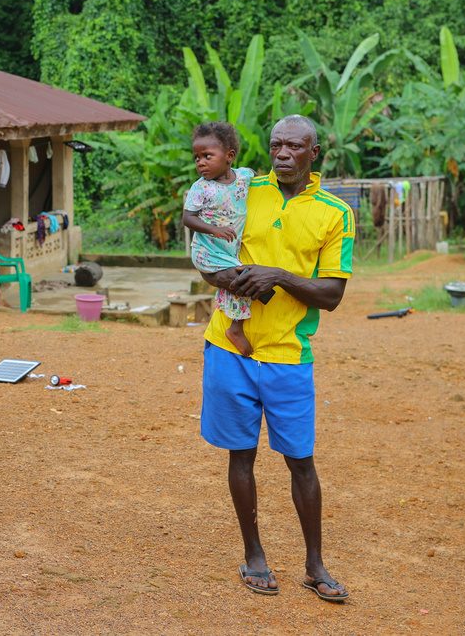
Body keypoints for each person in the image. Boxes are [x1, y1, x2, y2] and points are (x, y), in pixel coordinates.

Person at [197, 114, 354, 602]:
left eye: (294, 147)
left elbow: (331, 294)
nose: (283, 154)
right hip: (229, 346)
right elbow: (208, 252)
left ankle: (315, 565)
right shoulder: (242, 190)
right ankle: (254, 557)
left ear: (314, 154)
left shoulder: (334, 212)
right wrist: (227, 278)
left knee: (301, 463)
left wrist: (278, 276)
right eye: (275, 146)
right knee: (240, 456)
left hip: (289, 355)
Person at [182, 122, 265, 357]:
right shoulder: (201, 188)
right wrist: (213, 230)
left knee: (241, 280)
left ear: (229, 156)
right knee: (243, 281)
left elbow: (265, 185)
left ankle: (234, 324)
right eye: (197, 157)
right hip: (207, 251)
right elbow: (188, 218)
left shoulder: (245, 177)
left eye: (207, 156)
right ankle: (235, 329)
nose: (200, 162)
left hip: (229, 252)